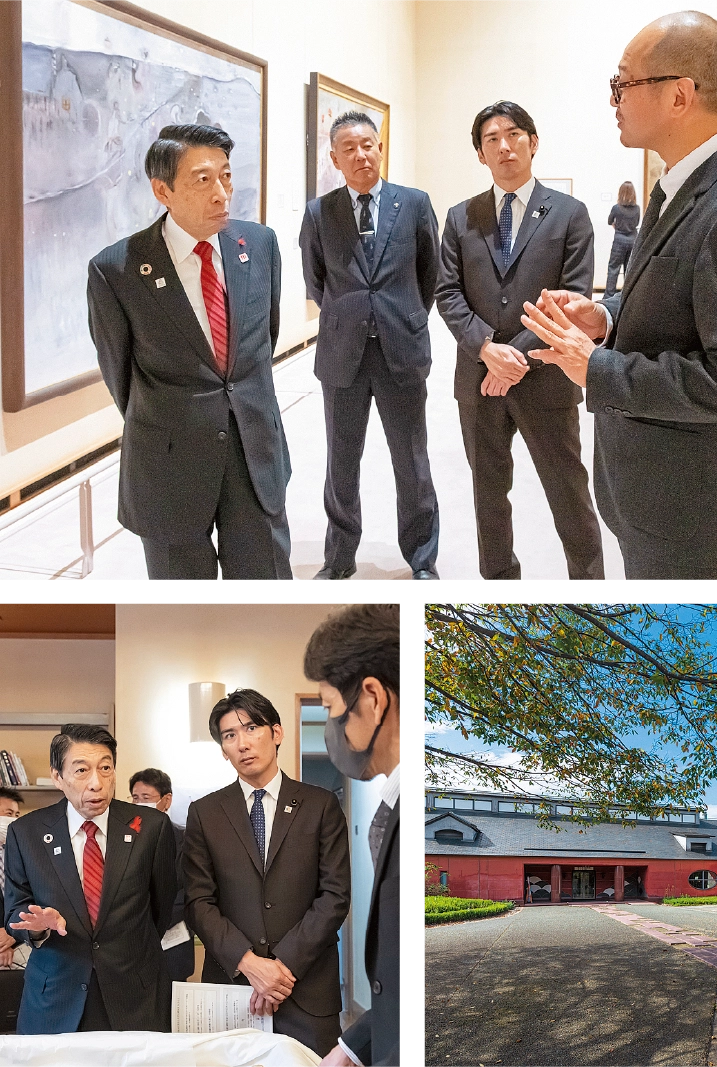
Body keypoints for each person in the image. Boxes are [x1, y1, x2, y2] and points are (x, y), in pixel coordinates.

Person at [521, 11, 717, 582]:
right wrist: (604, 315)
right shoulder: (684, 184)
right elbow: (681, 301)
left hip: (701, 523)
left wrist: (597, 369)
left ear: (679, 95)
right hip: (663, 506)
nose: (614, 100)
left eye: (622, 84)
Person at [87, 123, 292, 584]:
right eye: (203, 180)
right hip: (169, 465)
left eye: (225, 176)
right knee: (183, 611)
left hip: (253, 452)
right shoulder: (116, 270)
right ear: (163, 190)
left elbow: (260, 348)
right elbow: (121, 377)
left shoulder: (258, 245)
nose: (222, 193)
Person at [436, 100, 604, 584]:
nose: (504, 146)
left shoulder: (570, 214)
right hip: (478, 380)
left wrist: (516, 357)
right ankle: (500, 581)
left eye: (513, 135)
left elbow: (572, 299)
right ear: (481, 155)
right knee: (488, 492)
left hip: (547, 378)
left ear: (533, 142)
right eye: (491, 140)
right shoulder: (460, 217)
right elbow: (447, 291)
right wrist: (487, 347)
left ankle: (589, 586)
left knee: (568, 491)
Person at [299, 111, 441, 584]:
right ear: (335, 158)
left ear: (380, 148)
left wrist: (399, 317)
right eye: (349, 148)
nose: (361, 155)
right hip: (343, 358)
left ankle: (422, 560)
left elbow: (430, 277)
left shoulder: (415, 203)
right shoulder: (320, 213)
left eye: (368, 145)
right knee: (341, 462)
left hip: (401, 351)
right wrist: (353, 318)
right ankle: (338, 561)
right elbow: (317, 283)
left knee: (412, 460)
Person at [182, 689, 350, 1058]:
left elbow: (335, 896)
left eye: (252, 728)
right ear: (223, 750)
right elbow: (197, 901)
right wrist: (249, 963)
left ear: (276, 732)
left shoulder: (320, 805)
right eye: (229, 736)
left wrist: (281, 967)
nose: (242, 743)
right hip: (232, 988)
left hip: (307, 988)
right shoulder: (205, 813)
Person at [3, 724, 177, 1033]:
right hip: (54, 996)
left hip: (135, 996)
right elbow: (15, 910)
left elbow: (161, 908)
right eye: (81, 770)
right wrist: (38, 926)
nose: (97, 783)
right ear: (58, 776)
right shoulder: (26, 832)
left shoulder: (151, 827)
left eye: (106, 768)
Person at [303, 601, 399, 1067]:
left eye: (329, 708)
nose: (331, 729)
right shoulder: (388, 805)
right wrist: (350, 1049)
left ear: (372, 697)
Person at [130, 768, 194, 982]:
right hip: (131, 946)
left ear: (166, 800)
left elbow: (186, 892)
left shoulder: (185, 840)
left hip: (172, 945)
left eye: (146, 798)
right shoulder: (120, 839)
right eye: (135, 798)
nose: (139, 804)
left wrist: (152, 923)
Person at [0, 788, 28, 970]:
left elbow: (29, 899)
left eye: (17, 815)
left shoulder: (20, 854)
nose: (14, 821)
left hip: (17, 936)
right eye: (8, 814)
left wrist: (11, 936)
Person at [604, 181, 640, 297]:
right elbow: (637, 223)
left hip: (619, 239)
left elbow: (610, 221)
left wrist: (617, 225)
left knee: (613, 268)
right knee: (629, 270)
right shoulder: (637, 209)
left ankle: (609, 296)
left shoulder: (616, 208)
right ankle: (627, 296)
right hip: (633, 240)